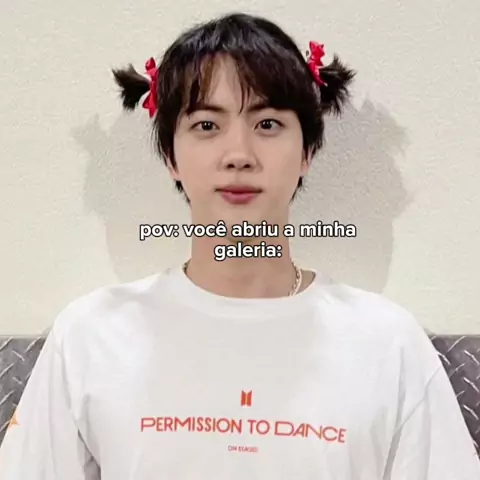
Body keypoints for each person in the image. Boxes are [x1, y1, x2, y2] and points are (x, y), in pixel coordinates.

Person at [0, 11, 478, 480]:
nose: (239, 155)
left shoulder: (389, 345)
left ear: (307, 151)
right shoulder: (89, 337)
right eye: (207, 126)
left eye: (267, 124)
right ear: (171, 155)